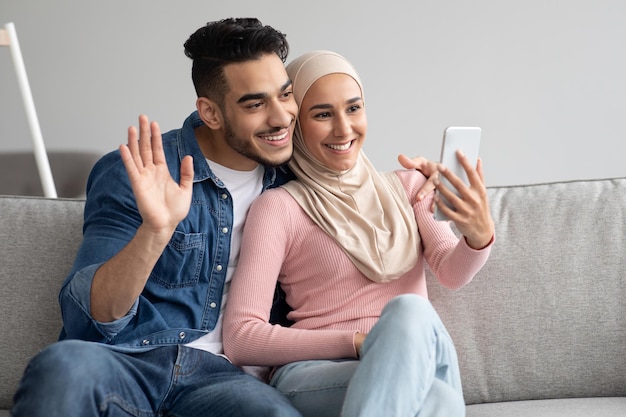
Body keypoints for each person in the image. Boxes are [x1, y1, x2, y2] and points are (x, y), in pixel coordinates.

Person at [11, 20, 437, 417]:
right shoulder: (142, 171)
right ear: (211, 112)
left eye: (285, 95)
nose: (281, 117)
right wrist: (155, 232)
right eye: (255, 104)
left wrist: (421, 181)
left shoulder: (294, 180)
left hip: (227, 378)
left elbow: (356, 175)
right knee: (62, 366)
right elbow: (91, 316)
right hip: (128, 359)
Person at [222, 50, 495, 417]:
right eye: (322, 114)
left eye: (353, 109)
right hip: (317, 373)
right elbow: (242, 338)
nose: (343, 128)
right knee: (438, 398)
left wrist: (478, 235)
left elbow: (452, 272)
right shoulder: (279, 208)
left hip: (420, 353)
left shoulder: (411, 186)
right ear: (295, 124)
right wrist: (359, 343)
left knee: (411, 313)